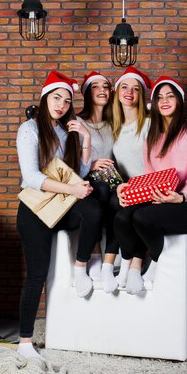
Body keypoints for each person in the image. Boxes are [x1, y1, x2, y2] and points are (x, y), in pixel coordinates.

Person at [15, 71, 102, 360]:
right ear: (45, 98)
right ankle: (25, 342)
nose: (62, 105)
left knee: (93, 210)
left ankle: (81, 267)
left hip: (61, 204)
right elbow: (31, 177)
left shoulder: (68, 130)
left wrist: (86, 137)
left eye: (67, 100)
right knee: (37, 274)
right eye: (57, 98)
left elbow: (82, 173)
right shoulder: (29, 129)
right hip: (35, 210)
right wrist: (73, 190)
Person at [113, 76, 187, 295]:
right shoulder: (152, 136)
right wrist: (128, 190)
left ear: (179, 100)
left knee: (143, 218)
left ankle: (154, 266)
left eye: (170, 96)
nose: (164, 101)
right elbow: (150, 175)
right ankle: (130, 266)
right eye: (159, 97)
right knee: (123, 216)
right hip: (164, 200)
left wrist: (183, 196)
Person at [100, 66, 153, 293]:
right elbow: (109, 164)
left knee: (129, 215)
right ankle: (110, 264)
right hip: (128, 189)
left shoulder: (150, 123)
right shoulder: (113, 127)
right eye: (125, 87)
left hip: (149, 188)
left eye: (135, 89)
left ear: (141, 95)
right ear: (117, 92)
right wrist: (118, 185)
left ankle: (134, 264)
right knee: (113, 204)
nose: (129, 92)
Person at [76, 71, 117, 283]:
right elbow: (66, 159)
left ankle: (112, 262)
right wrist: (91, 165)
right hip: (88, 181)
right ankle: (94, 255)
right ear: (86, 93)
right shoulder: (76, 121)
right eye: (95, 86)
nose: (102, 90)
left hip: (112, 180)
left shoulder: (113, 124)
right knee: (99, 190)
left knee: (119, 199)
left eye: (106, 86)